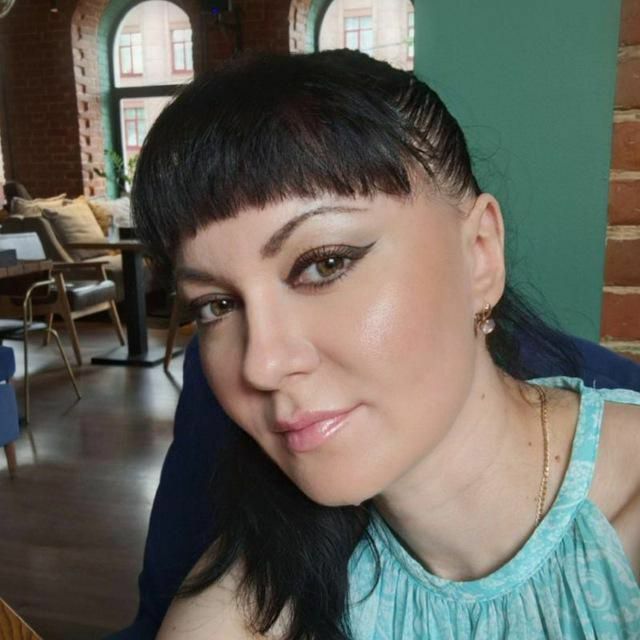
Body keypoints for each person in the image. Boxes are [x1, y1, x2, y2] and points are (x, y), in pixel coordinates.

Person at [129, 50, 640, 639]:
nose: (262, 365)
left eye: (324, 264)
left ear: (479, 256)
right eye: (217, 305)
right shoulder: (247, 605)